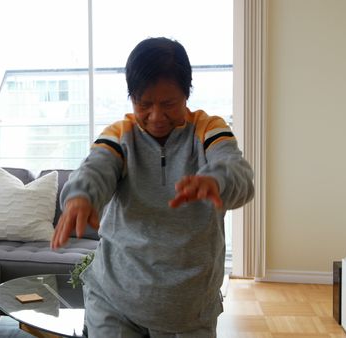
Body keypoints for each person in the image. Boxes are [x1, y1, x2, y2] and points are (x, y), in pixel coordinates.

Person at [51, 37, 255, 338]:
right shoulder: (121, 135)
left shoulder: (208, 129)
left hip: (190, 309)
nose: (156, 117)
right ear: (132, 97)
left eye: (168, 104)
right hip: (115, 301)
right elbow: (95, 168)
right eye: (144, 104)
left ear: (186, 95)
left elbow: (238, 175)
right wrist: (80, 197)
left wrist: (216, 180)